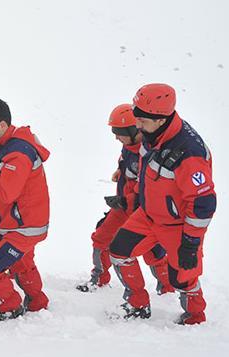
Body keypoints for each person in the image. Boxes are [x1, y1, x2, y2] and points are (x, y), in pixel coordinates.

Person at [108, 83, 216, 325]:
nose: (137, 125)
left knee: (184, 278)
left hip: (177, 226)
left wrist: (190, 242)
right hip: (147, 215)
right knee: (119, 251)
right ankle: (137, 304)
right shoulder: (150, 134)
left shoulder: (189, 153)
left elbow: (203, 203)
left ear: (160, 119)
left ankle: (195, 316)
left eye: (142, 121)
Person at [77, 104, 173, 295]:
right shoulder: (128, 146)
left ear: (134, 130)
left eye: (119, 132)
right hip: (123, 207)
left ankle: (167, 288)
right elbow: (127, 164)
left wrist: (125, 200)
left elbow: (148, 187)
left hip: (142, 210)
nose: (116, 137)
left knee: (152, 251)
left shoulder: (148, 152)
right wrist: (120, 172)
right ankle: (99, 277)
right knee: (101, 237)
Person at [0, 98, 50, 326]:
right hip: (20, 224)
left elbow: (6, 193)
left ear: (2, 125)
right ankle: (37, 303)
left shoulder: (18, 153)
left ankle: (10, 307)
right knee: (22, 265)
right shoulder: (3, 144)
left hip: (24, 228)